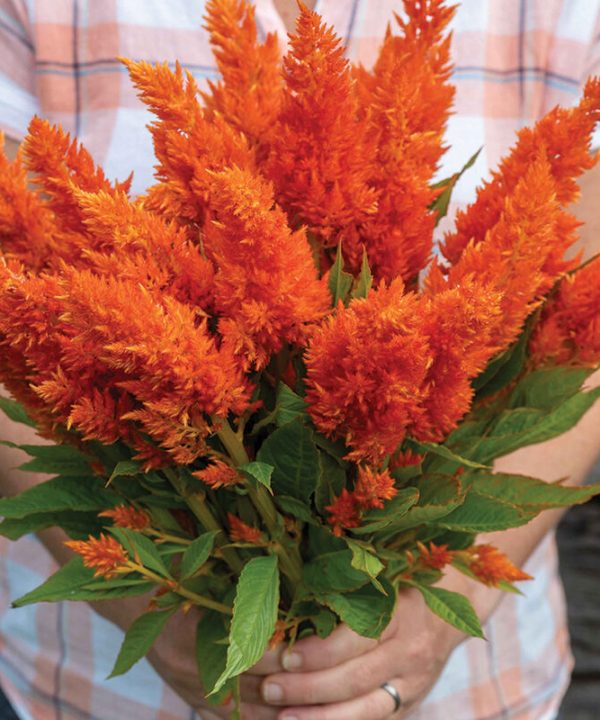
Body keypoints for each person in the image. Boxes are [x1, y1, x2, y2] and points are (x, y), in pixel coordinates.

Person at [0, 1, 599, 718]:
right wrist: (147, 603)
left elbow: (573, 341)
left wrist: (446, 610)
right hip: (95, 686)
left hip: (475, 686)